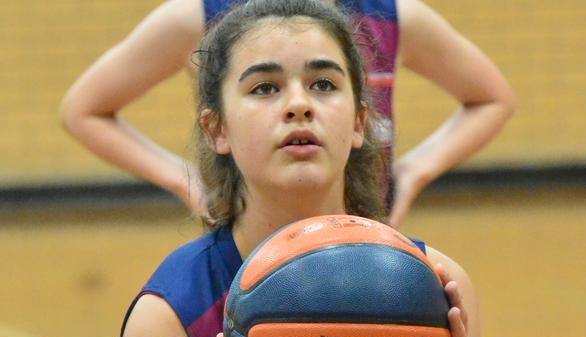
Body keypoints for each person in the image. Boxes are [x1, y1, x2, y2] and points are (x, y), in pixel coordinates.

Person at [107, 1, 480, 337]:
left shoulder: (436, 290)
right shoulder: (172, 319)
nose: (299, 103)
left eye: (323, 84)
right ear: (216, 128)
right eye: (265, 87)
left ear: (359, 123)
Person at [60, 0, 515, 228]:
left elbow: (492, 98)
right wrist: (188, 182)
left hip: (363, 246)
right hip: (248, 251)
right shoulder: (199, 16)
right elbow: (85, 109)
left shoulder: (394, 16)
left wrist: (416, 170)